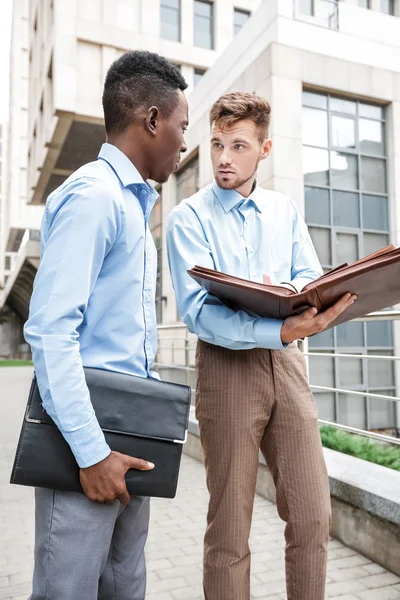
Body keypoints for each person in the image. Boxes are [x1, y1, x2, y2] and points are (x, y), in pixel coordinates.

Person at [167, 92, 356, 600]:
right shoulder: (189, 218)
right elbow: (199, 313)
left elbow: (307, 273)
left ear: (264, 149)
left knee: (314, 515)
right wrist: (275, 327)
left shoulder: (283, 209)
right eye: (216, 144)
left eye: (238, 145)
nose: (224, 158)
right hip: (227, 370)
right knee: (229, 528)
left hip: (288, 366)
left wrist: (296, 297)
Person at [24, 50, 188, 600]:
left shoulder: (134, 206)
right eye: (182, 126)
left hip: (131, 442)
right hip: (85, 448)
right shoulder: (95, 198)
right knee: (67, 591)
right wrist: (92, 454)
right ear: (152, 120)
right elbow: (50, 332)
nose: (185, 142)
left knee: (125, 586)